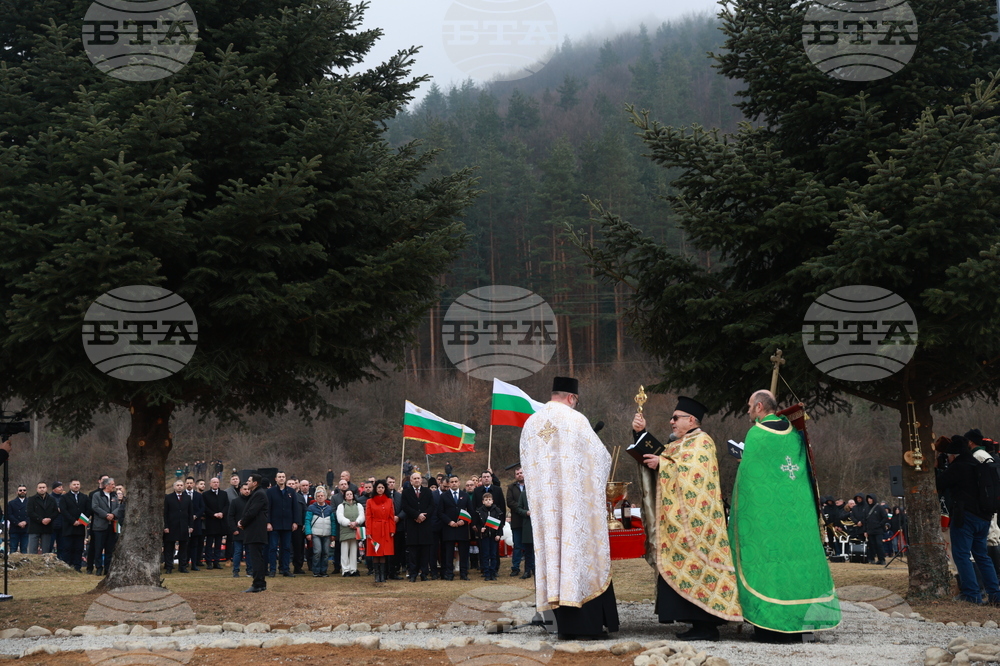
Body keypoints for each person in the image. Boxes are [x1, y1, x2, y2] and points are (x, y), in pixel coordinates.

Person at [728, 390, 840, 642]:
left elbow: (749, 483)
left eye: (748, 406)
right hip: (798, 515)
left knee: (768, 564)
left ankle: (770, 628)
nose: (747, 411)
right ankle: (803, 625)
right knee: (799, 562)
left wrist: (744, 462)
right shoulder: (795, 434)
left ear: (758, 407)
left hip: (766, 520)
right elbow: (796, 470)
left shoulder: (756, 434)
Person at [634, 395, 740, 641]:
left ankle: (707, 626)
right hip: (679, 525)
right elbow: (664, 458)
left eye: (675, 418)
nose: (671, 422)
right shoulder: (679, 444)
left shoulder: (702, 442)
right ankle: (697, 624)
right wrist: (640, 433)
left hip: (699, 526)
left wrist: (664, 464)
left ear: (691, 420)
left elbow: (693, 474)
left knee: (699, 568)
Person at [520, 376, 619, 640]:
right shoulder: (576, 420)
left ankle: (561, 624)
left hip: (547, 512)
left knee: (554, 559)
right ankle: (586, 625)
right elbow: (600, 459)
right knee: (578, 558)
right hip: (574, 509)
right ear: (572, 398)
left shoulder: (530, 424)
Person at [938, 434, 1000, 604]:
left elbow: (939, 483)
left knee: (961, 555)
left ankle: (973, 595)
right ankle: (995, 595)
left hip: (966, 517)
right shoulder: (977, 464)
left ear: (954, 455)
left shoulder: (958, 467)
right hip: (984, 517)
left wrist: (940, 467)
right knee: (982, 556)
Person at [401, 470, 434, 582]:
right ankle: (413, 574)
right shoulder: (406, 492)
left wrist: (424, 516)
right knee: (413, 553)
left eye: (418, 478)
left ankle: (424, 574)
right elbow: (405, 507)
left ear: (421, 480)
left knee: (425, 552)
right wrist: (416, 515)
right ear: (411, 481)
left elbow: (432, 506)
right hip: (412, 525)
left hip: (425, 525)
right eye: (414, 478)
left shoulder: (428, 492)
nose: (416, 480)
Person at [239, 474, 269, 593]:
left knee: (256, 558)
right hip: (255, 531)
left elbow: (252, 512)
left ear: (255, 483)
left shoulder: (259, 494)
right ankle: (260, 583)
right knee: (258, 558)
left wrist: (242, 522)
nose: (247, 482)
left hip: (255, 531)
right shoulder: (257, 493)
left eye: (249, 480)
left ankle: (257, 584)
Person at [441, 474, 473, 581]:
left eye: (455, 481)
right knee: (449, 553)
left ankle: (464, 573)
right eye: (452, 482)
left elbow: (471, 511)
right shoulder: (444, 496)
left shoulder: (465, 495)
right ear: (449, 483)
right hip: (449, 528)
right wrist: (449, 522)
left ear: (459, 483)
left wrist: (463, 521)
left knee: (463, 552)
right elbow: (440, 512)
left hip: (462, 528)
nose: (454, 483)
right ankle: (449, 574)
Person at [90, 477, 123, 576]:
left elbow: (119, 507)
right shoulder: (97, 495)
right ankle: (99, 568)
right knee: (98, 548)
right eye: (112, 484)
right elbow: (95, 507)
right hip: (100, 526)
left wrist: (113, 514)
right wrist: (106, 515)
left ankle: (108, 568)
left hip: (111, 526)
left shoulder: (114, 495)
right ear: (106, 485)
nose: (114, 486)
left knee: (110, 549)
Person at [266, 471, 297, 577]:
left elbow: (295, 508)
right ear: (276, 479)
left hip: (288, 524)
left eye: (283, 477)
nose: (281, 478)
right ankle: (272, 569)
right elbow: (267, 508)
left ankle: (285, 569)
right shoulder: (270, 492)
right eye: (279, 477)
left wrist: (295, 522)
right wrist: (268, 522)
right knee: (273, 547)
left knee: (287, 548)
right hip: (274, 525)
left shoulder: (291, 492)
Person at [365, 479, 396, 583]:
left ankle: (383, 575)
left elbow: (391, 517)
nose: (380, 489)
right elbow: (368, 517)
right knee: (375, 551)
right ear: (375, 488)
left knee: (383, 552)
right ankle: (377, 575)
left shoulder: (389, 501)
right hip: (375, 529)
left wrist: (392, 529)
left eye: (382, 487)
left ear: (385, 489)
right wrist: (368, 532)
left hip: (386, 528)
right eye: (378, 487)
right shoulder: (370, 501)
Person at [163, 479, 194, 573]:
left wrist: (191, 526)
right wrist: (165, 526)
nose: (179, 487)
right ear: (174, 487)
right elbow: (165, 513)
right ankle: (169, 567)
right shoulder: (168, 497)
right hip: (171, 526)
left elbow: (190, 512)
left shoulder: (187, 498)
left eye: (181, 485)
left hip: (184, 526)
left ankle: (182, 567)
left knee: (183, 548)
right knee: (169, 548)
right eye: (178, 485)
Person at [305, 487, 334, 577]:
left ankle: (323, 571)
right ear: (316, 498)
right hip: (316, 533)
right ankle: (316, 571)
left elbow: (333, 522)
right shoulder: (311, 508)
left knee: (325, 552)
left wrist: (333, 534)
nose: (320, 497)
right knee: (317, 552)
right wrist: (308, 533)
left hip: (327, 534)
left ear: (325, 497)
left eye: (322, 496)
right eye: (318, 496)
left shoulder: (329, 509)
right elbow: (307, 520)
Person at [60, 479, 88, 571]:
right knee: (67, 547)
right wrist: (73, 521)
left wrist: (81, 521)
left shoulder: (84, 497)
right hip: (68, 527)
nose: (76, 486)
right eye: (74, 484)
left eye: (78, 484)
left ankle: (77, 567)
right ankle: (67, 566)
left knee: (79, 548)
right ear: (70, 486)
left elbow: (88, 510)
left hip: (80, 527)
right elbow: (63, 510)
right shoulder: (64, 497)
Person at [476, 492, 504, 581]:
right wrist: (480, 529)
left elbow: (500, 525)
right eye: (486, 500)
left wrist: (499, 534)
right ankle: (486, 572)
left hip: (494, 536)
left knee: (493, 554)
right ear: (483, 501)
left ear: (492, 501)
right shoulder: (479, 511)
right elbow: (477, 524)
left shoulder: (497, 511)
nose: (488, 501)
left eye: (489, 499)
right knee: (485, 554)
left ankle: (493, 572)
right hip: (484, 536)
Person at [336, 489, 365, 576]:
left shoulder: (358, 505)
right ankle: (345, 570)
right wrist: (349, 523)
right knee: (344, 551)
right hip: (345, 530)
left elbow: (362, 515)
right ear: (345, 496)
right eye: (347, 494)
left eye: (350, 494)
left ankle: (353, 569)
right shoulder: (341, 506)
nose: (349, 495)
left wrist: (356, 522)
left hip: (355, 530)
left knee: (353, 551)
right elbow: (340, 517)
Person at [26, 482, 58, 554]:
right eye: (40, 488)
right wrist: (41, 520)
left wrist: (50, 519)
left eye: (43, 487)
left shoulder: (52, 499)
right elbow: (30, 512)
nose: (42, 489)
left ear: (46, 488)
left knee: (46, 551)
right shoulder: (31, 499)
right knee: (32, 550)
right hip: (34, 527)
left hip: (47, 527)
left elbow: (56, 511)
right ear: (37, 489)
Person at [228, 483, 251, 578]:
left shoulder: (252, 501)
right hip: (238, 532)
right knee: (238, 551)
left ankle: (250, 570)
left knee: (249, 552)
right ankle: (236, 570)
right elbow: (230, 516)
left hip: (249, 531)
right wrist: (234, 529)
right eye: (245, 489)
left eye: (248, 489)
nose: (247, 491)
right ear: (241, 490)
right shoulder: (235, 501)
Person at [506, 466, 525, 577]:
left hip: (529, 521)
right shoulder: (511, 487)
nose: (519, 475)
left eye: (521, 473)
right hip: (517, 520)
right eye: (517, 473)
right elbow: (509, 502)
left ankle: (530, 567)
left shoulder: (531, 486)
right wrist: (520, 509)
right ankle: (515, 568)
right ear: (515, 476)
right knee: (517, 545)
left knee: (530, 546)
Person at [862, 494, 889, 565]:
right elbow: (865, 520)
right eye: (868, 499)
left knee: (879, 544)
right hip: (870, 530)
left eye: (870, 499)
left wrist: (880, 524)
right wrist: (865, 530)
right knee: (871, 545)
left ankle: (881, 559)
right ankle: (872, 559)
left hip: (878, 530)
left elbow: (885, 517)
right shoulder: (866, 508)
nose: (869, 500)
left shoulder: (879, 507)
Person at [514, 486, 534, 579]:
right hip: (528, 525)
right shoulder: (524, 494)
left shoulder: (542, 492)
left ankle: (537, 570)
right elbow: (518, 508)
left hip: (541, 525)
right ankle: (527, 571)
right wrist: (526, 512)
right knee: (528, 550)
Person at [7, 484, 29, 554]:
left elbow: (32, 514)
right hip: (14, 529)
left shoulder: (30, 502)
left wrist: (25, 522)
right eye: (20, 490)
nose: (22, 491)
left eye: (24, 490)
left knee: (24, 549)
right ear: (17, 492)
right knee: (13, 549)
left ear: (26, 491)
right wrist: (18, 523)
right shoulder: (11, 503)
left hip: (26, 529)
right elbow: (9, 515)